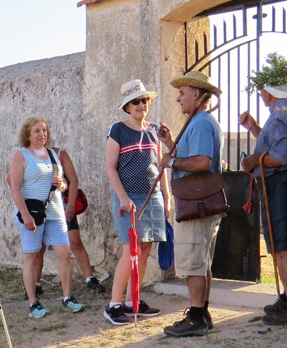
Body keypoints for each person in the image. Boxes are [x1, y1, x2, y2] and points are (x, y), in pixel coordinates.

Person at [240, 82, 287, 327]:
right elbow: (278, 147)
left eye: (262, 90)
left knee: (282, 246)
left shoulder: (279, 117)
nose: (260, 94)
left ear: (268, 93)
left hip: (281, 183)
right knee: (286, 244)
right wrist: (253, 128)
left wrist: (252, 160)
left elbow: (279, 157)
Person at [159, 72, 223, 337]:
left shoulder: (201, 123)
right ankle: (201, 313)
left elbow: (202, 162)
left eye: (182, 93)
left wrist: (171, 162)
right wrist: (170, 143)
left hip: (196, 205)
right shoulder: (199, 122)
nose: (178, 98)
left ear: (196, 94)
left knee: (194, 261)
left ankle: (196, 318)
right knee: (201, 261)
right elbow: (193, 156)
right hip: (199, 203)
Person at [103, 81, 169, 326]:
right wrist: (122, 197)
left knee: (145, 250)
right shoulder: (118, 130)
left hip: (153, 197)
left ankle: (133, 302)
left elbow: (161, 166)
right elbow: (110, 167)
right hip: (128, 198)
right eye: (136, 101)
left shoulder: (154, 130)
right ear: (127, 107)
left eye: (145, 100)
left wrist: (167, 197)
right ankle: (114, 305)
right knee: (130, 251)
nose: (142, 105)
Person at [9, 116, 86, 317]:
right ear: (27, 134)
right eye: (37, 131)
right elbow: (15, 188)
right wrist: (25, 215)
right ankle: (33, 302)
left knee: (65, 253)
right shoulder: (21, 156)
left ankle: (67, 297)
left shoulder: (52, 154)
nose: (42, 134)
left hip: (55, 212)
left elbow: (64, 184)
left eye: (44, 130)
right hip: (32, 214)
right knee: (32, 256)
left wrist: (62, 185)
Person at [22, 142, 108, 297]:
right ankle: (36, 284)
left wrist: (71, 204)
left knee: (74, 241)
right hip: (39, 208)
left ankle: (90, 279)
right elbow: (13, 180)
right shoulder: (25, 156)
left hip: (61, 206)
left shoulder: (60, 154)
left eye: (44, 133)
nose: (42, 137)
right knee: (38, 248)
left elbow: (73, 180)